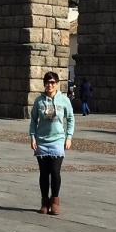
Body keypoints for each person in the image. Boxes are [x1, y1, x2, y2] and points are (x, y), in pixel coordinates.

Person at [29, 71, 74, 216]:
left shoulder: (64, 100)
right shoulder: (39, 101)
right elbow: (33, 120)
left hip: (58, 140)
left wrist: (69, 137)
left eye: (53, 82)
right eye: (47, 82)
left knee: (55, 172)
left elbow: (71, 119)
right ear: (44, 84)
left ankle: (55, 201)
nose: (50, 85)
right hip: (42, 141)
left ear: (57, 84)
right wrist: (32, 137)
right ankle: (44, 202)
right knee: (44, 173)